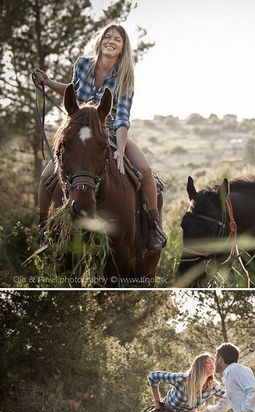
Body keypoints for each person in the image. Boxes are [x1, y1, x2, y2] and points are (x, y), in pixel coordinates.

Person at [33, 23, 165, 251]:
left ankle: (153, 227)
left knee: (144, 171)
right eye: (108, 36)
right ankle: (44, 230)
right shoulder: (83, 65)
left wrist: (121, 151)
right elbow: (71, 91)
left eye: (117, 39)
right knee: (47, 178)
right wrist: (47, 82)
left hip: (110, 132)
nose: (111, 40)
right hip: (79, 130)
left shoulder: (125, 78)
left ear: (123, 48)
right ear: (101, 40)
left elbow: (122, 117)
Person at [148, 353, 225, 412]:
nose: (212, 364)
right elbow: (153, 376)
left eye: (213, 362)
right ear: (199, 366)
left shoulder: (213, 386)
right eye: (207, 362)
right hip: (168, 408)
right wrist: (157, 400)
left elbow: (229, 397)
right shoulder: (181, 379)